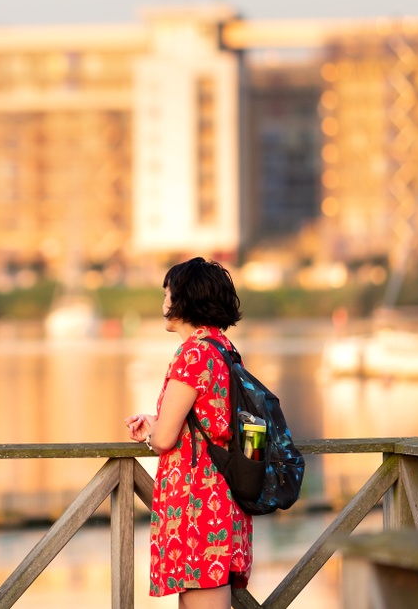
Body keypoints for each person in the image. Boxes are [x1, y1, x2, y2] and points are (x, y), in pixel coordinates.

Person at [125, 257, 252, 607]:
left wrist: (153, 433)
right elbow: (207, 420)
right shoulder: (222, 348)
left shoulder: (194, 354)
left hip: (199, 505)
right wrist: (158, 422)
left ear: (184, 299)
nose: (163, 302)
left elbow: (165, 439)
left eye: (167, 292)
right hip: (222, 495)